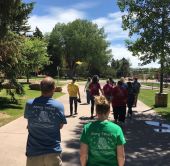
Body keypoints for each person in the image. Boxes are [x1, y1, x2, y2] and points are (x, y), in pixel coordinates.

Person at [24, 77, 67, 166]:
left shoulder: (29, 104)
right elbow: (60, 126)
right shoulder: (59, 106)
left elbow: (29, 123)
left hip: (33, 153)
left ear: (41, 88)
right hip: (52, 152)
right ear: (53, 89)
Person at [80, 96, 126, 166]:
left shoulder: (87, 128)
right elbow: (121, 157)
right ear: (109, 111)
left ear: (96, 111)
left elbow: (83, 155)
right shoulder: (117, 129)